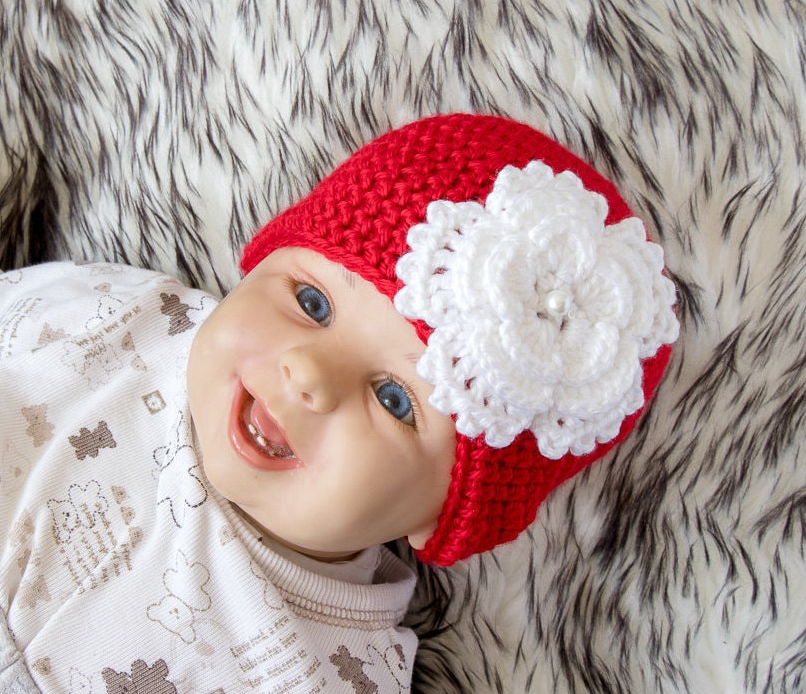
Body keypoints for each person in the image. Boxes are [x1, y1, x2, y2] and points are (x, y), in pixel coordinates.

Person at [0, 113, 679, 693]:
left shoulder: (317, 669)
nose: (308, 374)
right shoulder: (114, 320)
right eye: (311, 301)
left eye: (393, 398)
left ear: (441, 516)